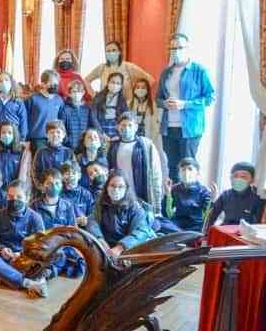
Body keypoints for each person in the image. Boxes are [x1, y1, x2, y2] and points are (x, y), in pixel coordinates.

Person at [156, 33, 215, 181]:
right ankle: (172, 201)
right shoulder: (166, 72)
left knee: (188, 168)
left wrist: (185, 104)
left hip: (190, 128)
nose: (176, 51)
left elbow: (210, 98)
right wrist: (165, 104)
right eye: (173, 48)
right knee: (172, 167)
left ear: (188, 48)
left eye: (180, 47)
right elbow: (158, 99)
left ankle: (189, 202)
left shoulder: (199, 71)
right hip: (168, 128)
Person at [0, 180, 49, 297]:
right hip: (5, 258)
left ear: (27, 198)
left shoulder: (35, 218)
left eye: (19, 197)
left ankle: (1, 277)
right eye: (10, 196)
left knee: (45, 263)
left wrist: (22, 254)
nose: (14, 200)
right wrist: (2, 249)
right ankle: (27, 283)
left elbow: (40, 246)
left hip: (26, 260)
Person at [86, 170, 155, 256]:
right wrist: (99, 240)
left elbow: (141, 231)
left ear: (126, 189)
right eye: (113, 186)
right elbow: (92, 222)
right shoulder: (100, 203)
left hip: (130, 248)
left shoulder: (135, 207)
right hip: (105, 247)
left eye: (120, 187)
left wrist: (121, 247)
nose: (116, 190)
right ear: (106, 187)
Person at [107, 111, 163, 215]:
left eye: (130, 125)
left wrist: (158, 206)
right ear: (118, 127)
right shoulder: (112, 146)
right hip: (120, 196)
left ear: (136, 127)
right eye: (123, 125)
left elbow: (156, 175)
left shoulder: (146, 146)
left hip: (141, 197)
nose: (126, 128)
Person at [84, 41, 154, 102]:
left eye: (114, 50)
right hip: (105, 107)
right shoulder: (102, 68)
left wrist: (139, 97)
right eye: (108, 51)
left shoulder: (129, 67)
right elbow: (86, 80)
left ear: (119, 52)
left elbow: (150, 80)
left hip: (126, 108)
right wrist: (94, 95)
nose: (111, 53)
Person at [204, 162, 265, 232]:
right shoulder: (225, 195)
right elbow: (211, 217)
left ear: (252, 180)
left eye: (243, 177)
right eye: (235, 176)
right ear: (231, 178)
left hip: (245, 236)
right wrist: (207, 233)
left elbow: (258, 226)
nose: (238, 179)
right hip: (225, 232)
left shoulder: (258, 199)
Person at [163, 158, 212, 233]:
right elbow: (167, 214)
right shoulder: (175, 188)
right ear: (179, 174)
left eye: (190, 169)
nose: (186, 172)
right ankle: (182, 235)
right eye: (183, 169)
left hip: (195, 226)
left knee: (206, 229)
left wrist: (213, 200)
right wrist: (168, 194)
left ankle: (182, 235)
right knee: (158, 222)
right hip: (178, 223)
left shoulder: (203, 191)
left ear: (197, 173)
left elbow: (206, 217)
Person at [31, 120, 75, 191]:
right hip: (45, 190)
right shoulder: (41, 152)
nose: (55, 135)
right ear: (47, 135)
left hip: (64, 190)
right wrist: (41, 187)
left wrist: (68, 186)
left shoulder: (69, 152)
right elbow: (35, 172)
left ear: (63, 135)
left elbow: (73, 171)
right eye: (51, 132)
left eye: (58, 132)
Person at [26, 70, 64, 152]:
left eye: (56, 83)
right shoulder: (33, 99)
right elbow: (25, 119)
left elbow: (61, 119)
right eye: (52, 83)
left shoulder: (59, 100)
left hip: (54, 137)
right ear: (43, 84)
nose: (55, 85)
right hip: (37, 138)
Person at [0, 72, 28, 144]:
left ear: (11, 83)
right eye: (0, 81)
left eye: (6, 80)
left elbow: (23, 121)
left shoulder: (18, 101)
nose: (3, 82)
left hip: (14, 136)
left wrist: (22, 138)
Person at [58, 79, 98, 149]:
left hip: (84, 146)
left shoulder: (87, 109)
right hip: (69, 146)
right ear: (69, 93)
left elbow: (92, 125)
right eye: (74, 91)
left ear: (83, 92)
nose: (76, 94)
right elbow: (61, 127)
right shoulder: (65, 109)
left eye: (79, 91)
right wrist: (67, 141)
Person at [0, 121, 27, 190]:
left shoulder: (21, 152)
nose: (6, 135)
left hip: (15, 191)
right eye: (3, 132)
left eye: (9, 133)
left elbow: (23, 175)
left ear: (14, 134)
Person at [91, 72, 129, 141]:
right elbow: (93, 117)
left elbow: (125, 118)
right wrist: (101, 133)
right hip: (100, 130)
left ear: (121, 86)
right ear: (108, 82)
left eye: (118, 83)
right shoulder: (98, 97)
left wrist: (119, 135)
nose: (115, 85)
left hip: (116, 132)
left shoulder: (122, 101)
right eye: (113, 82)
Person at [60, 160, 94, 226]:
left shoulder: (86, 194)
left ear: (79, 176)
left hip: (84, 228)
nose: (71, 176)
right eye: (67, 173)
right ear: (62, 177)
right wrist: (74, 221)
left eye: (73, 173)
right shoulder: (58, 194)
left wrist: (86, 219)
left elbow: (93, 214)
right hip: (65, 229)